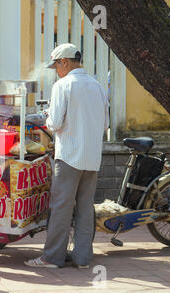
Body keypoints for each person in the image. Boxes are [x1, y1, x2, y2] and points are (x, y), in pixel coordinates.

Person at [24, 43, 109, 269]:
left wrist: (47, 117)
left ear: (64, 62)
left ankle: (52, 258)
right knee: (84, 207)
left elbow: (55, 123)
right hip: (92, 157)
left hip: (69, 155)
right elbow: (105, 125)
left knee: (61, 207)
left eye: (56, 66)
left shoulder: (63, 85)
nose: (56, 71)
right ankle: (83, 259)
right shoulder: (98, 86)